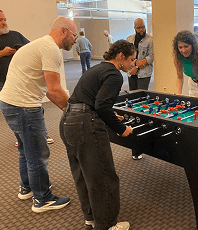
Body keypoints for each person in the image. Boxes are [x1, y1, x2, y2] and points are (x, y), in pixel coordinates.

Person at [0, 17, 77, 213]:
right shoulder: (50, 49)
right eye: (74, 35)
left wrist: (65, 107)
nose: (75, 40)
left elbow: (50, 91)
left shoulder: (39, 44)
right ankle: (42, 198)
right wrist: (74, 111)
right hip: (24, 107)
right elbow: (55, 90)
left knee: (25, 149)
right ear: (63, 31)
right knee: (38, 154)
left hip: (8, 103)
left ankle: (27, 187)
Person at [60, 40, 135, 230]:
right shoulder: (115, 74)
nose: (132, 64)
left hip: (67, 120)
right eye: (131, 60)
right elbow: (101, 105)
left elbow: (94, 100)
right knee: (103, 175)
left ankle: (91, 218)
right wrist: (120, 128)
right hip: (86, 124)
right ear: (120, 57)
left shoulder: (98, 68)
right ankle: (108, 225)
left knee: (83, 174)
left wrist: (110, 113)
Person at [0, 10, 55, 146]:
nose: (4, 22)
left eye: (5, 19)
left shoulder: (15, 35)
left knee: (33, 106)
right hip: (2, 80)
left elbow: (32, 48)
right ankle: (21, 137)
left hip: (22, 78)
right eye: (0, 20)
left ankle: (43, 133)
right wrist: (2, 53)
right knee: (13, 110)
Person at [126, 18, 154, 160]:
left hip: (144, 74)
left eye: (143, 27)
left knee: (142, 101)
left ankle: (143, 128)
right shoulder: (129, 39)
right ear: (134, 27)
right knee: (133, 102)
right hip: (131, 74)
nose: (141, 30)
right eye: (139, 28)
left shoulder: (150, 40)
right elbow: (127, 56)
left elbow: (151, 57)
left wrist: (137, 65)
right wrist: (133, 66)